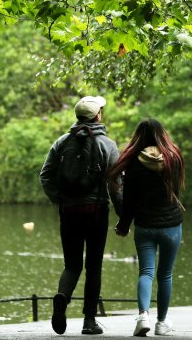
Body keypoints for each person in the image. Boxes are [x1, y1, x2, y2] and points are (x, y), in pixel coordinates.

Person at [39, 96, 121, 335]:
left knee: (72, 264)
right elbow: (116, 185)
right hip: (96, 212)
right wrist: (123, 216)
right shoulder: (108, 145)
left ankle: (62, 298)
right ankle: (89, 321)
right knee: (94, 267)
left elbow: (45, 176)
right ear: (97, 116)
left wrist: (60, 199)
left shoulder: (62, 142)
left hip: (69, 212)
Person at [109, 119, 185, 337]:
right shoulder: (173, 158)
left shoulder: (133, 163)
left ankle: (143, 316)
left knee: (146, 272)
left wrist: (123, 225)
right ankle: (161, 323)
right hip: (171, 225)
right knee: (165, 275)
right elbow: (176, 193)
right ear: (162, 134)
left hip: (145, 225)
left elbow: (129, 201)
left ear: (139, 137)